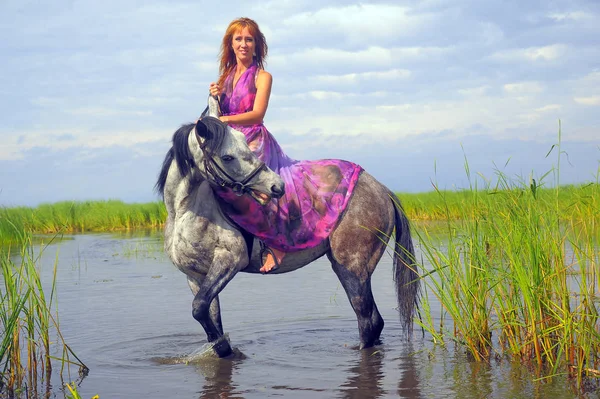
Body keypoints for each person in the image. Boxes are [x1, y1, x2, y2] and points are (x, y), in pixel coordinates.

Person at [208, 18, 362, 274]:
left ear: (257, 46)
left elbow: (257, 114)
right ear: (230, 44)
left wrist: (224, 119)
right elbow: (219, 113)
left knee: (265, 185)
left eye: (249, 39)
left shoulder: (262, 76)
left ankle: (278, 244)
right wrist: (214, 99)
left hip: (254, 140)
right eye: (238, 39)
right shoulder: (224, 78)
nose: (243, 44)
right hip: (231, 143)